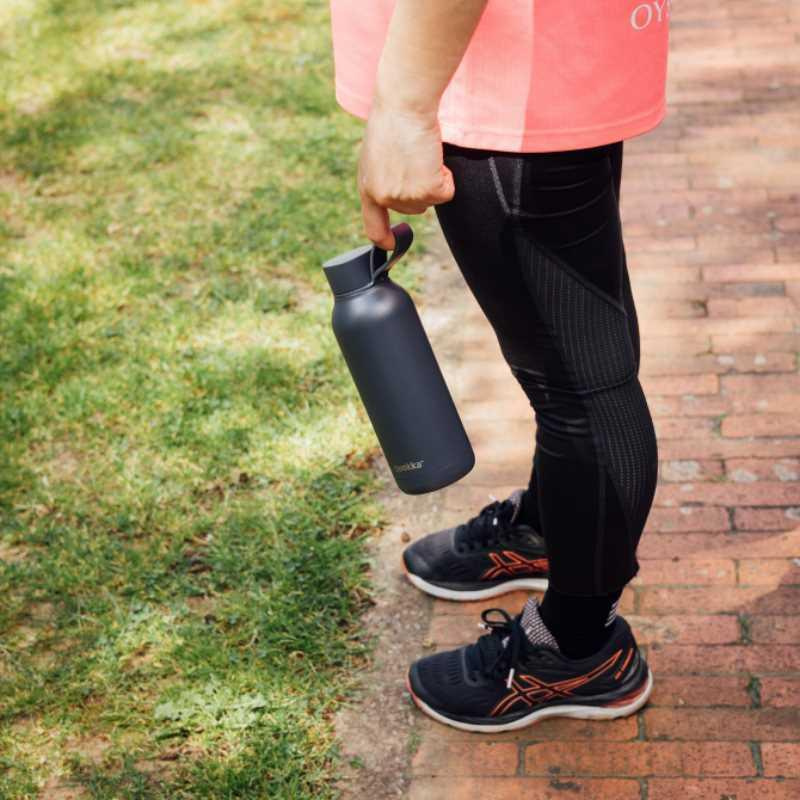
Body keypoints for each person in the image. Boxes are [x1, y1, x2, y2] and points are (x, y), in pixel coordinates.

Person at [329, 0, 668, 732]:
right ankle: (547, 528)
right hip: (522, 65)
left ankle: (576, 648)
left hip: (502, 79)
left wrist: (405, 107)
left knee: (581, 386)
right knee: (572, 366)